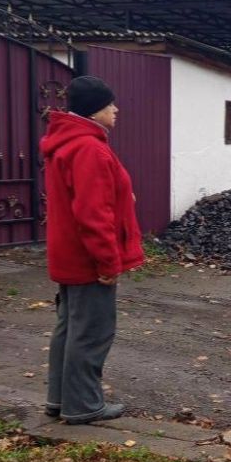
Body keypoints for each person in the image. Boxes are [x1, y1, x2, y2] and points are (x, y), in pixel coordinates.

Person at [41, 75, 144, 424]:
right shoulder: (89, 148)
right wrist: (108, 262)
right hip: (88, 258)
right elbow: (92, 213)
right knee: (92, 332)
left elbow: (88, 200)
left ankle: (60, 400)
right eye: (109, 104)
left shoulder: (68, 143)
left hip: (69, 252)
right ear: (93, 110)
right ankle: (83, 405)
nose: (116, 109)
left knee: (69, 328)